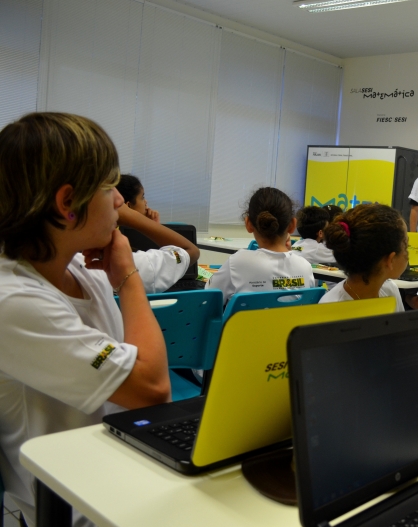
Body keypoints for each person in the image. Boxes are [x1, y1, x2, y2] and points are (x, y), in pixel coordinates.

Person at [0, 112, 169, 524]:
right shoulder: (13, 300)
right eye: (109, 187)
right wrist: (128, 280)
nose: (119, 202)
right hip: (66, 510)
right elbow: (151, 387)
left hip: (119, 471)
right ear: (67, 204)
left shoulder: (80, 270)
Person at [207, 187, 315, 303]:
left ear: (248, 224)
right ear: (293, 225)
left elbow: (207, 299)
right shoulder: (305, 267)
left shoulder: (237, 263)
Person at [116, 174, 201, 293]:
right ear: (127, 206)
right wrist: (150, 225)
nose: (146, 202)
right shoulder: (134, 263)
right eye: (142, 197)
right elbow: (190, 251)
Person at [320, 203, 408, 312]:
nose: (407, 253)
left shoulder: (390, 290)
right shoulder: (331, 308)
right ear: (390, 260)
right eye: (406, 246)